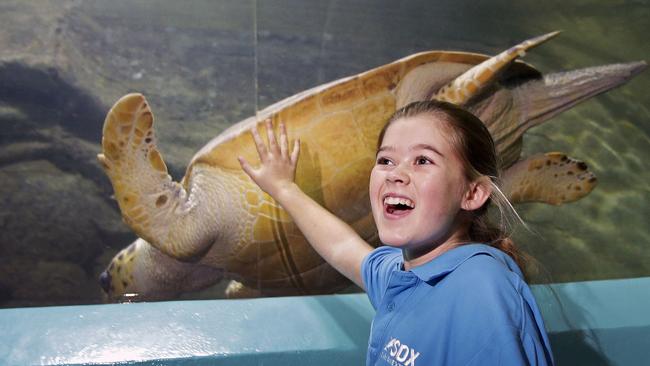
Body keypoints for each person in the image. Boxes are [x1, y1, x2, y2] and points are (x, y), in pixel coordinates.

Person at [238, 100, 554, 365]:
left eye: (422, 160)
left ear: (472, 194)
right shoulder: (409, 274)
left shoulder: (480, 286)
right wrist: (284, 189)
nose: (395, 174)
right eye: (386, 159)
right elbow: (343, 248)